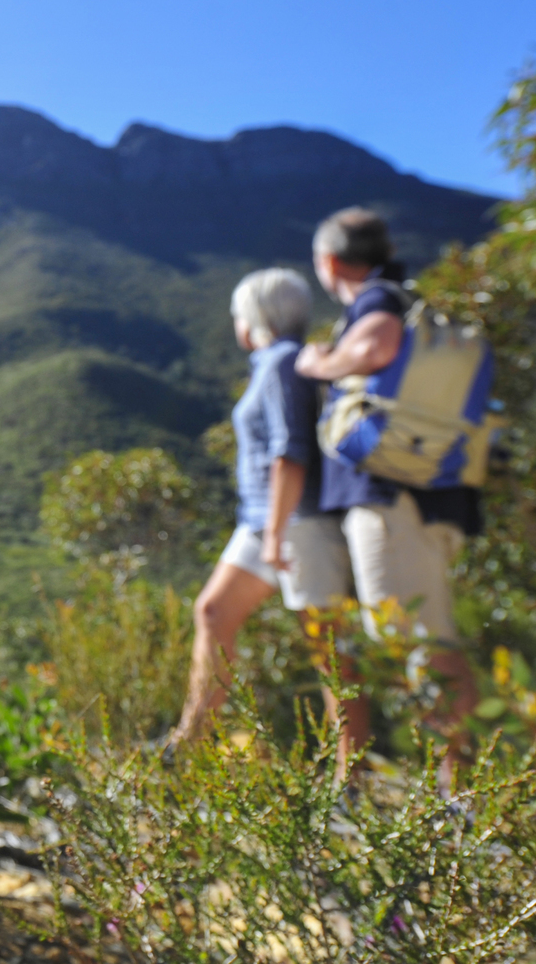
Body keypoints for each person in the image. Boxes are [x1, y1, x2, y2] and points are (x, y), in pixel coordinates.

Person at [295, 207, 481, 776]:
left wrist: (322, 361)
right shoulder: (398, 294)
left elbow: (376, 347)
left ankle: (460, 789)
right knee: (420, 638)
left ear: (329, 262)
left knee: (416, 640)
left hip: (391, 501)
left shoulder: (376, 301)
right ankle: (457, 783)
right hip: (420, 494)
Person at [168, 268, 351, 750]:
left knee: (328, 649)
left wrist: (275, 532)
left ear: (253, 318)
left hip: (295, 519)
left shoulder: (282, 363)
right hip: (261, 519)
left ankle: (351, 772)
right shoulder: (276, 361)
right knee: (212, 612)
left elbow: (290, 451)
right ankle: (191, 741)